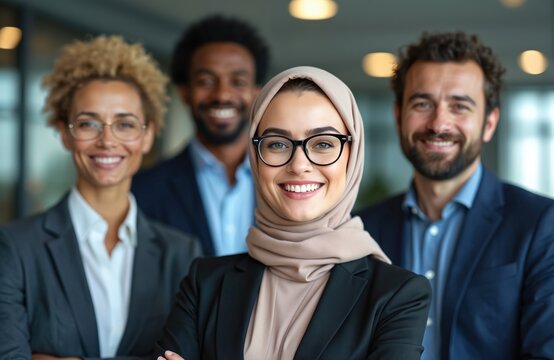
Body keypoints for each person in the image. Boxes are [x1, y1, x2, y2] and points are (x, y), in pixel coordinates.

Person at [153, 66, 431, 360]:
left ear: (353, 154)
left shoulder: (397, 295)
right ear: (255, 156)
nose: (299, 164)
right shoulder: (205, 282)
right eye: (276, 144)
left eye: (323, 144)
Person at [0, 35, 202, 359]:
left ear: (147, 135)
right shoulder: (15, 248)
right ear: (65, 133)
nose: (107, 140)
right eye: (88, 123)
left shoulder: (181, 254)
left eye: (125, 124)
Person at [356, 32, 554, 359]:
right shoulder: (361, 231)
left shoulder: (540, 225)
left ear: (489, 123)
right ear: (398, 116)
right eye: (422, 104)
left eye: (459, 106)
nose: (439, 123)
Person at [132, 15, 270, 256]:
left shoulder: (287, 182)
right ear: (185, 92)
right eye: (206, 81)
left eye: (238, 81)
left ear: (257, 92)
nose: (222, 95)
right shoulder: (143, 192)